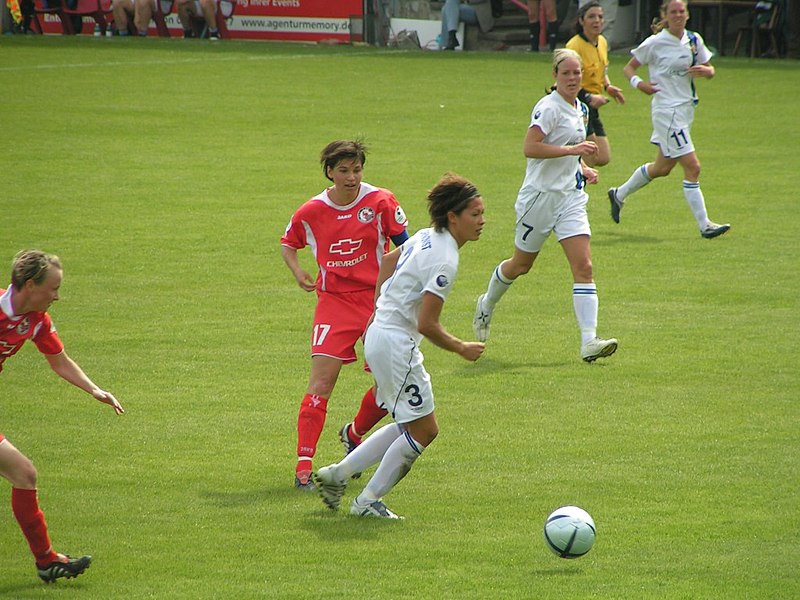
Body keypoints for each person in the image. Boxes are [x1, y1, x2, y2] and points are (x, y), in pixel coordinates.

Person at [314, 173, 486, 519]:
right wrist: (460, 347)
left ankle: (337, 474)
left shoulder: (427, 235)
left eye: (482, 213)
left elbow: (388, 261)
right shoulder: (445, 259)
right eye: (475, 214)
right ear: (453, 217)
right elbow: (427, 323)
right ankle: (366, 503)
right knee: (425, 430)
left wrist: (379, 305)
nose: (482, 222)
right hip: (396, 345)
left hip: (382, 334)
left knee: (411, 423)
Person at [472, 49, 618, 363]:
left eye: (577, 73)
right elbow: (531, 147)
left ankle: (588, 341)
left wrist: (582, 166)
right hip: (539, 199)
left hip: (570, 198)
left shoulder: (580, 107)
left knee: (585, 267)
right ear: (555, 76)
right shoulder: (547, 108)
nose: (572, 78)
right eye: (566, 73)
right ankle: (487, 303)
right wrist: (574, 150)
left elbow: (570, 154)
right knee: (520, 266)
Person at [281, 140, 410, 491]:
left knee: (389, 390)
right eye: (343, 171)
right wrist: (298, 272)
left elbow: (406, 245)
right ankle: (303, 467)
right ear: (329, 172)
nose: (351, 177)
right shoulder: (312, 211)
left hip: (377, 302)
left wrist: (396, 290)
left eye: (356, 169)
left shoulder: (381, 201)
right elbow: (288, 243)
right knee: (321, 384)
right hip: (334, 302)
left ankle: (353, 434)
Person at [0, 250, 124, 583]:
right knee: (24, 474)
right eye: (53, 288)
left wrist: (95, 390)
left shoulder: (35, 320)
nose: (57, 296)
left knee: (24, 475)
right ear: (29, 285)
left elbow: (59, 360)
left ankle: (46, 562)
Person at [607, 0, 730, 239]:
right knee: (693, 167)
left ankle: (618, 194)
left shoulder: (694, 40)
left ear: (687, 14)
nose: (678, 15)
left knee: (662, 168)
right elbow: (629, 69)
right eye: (673, 12)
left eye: (681, 11)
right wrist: (639, 84)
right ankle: (705, 225)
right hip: (667, 112)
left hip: (686, 111)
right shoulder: (655, 42)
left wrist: (708, 72)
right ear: (665, 16)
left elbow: (709, 68)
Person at [566, 0, 625, 167]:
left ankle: (568, 162)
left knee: (602, 157)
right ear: (581, 21)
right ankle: (575, 184)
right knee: (590, 155)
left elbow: (602, 69)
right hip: (577, 105)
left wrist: (608, 86)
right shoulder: (574, 46)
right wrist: (588, 96)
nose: (597, 20)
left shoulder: (602, 42)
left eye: (600, 16)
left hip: (593, 107)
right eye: (591, 16)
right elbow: (565, 81)